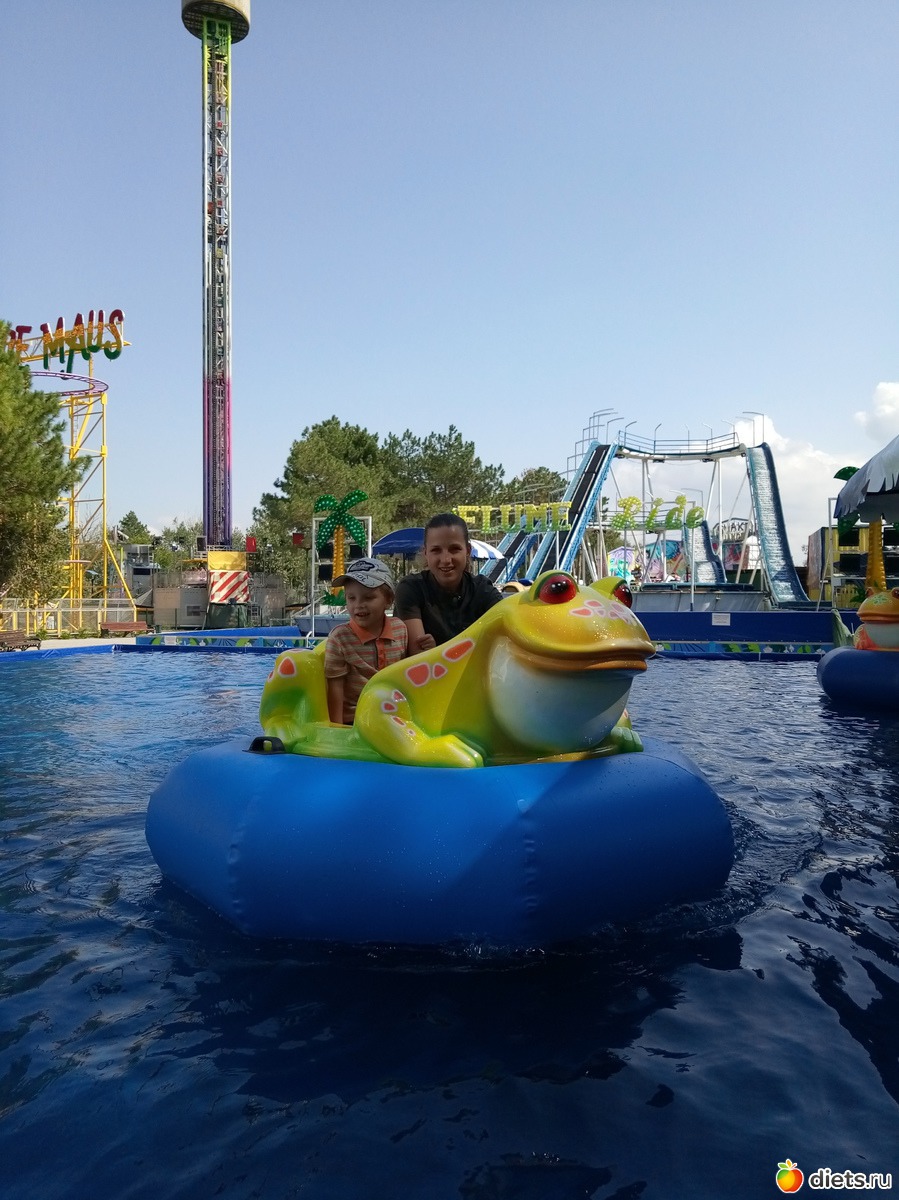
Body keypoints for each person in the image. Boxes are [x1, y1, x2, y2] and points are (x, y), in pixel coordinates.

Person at [393, 513, 502, 653]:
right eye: (436, 550)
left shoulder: (483, 590)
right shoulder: (411, 589)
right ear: (426, 553)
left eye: (454, 549)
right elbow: (419, 656)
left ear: (468, 551)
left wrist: (436, 650)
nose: (445, 559)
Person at [324, 558, 408, 725]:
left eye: (368, 597)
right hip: (355, 722)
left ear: (389, 600)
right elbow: (335, 691)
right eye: (351, 598)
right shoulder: (340, 638)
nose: (358, 605)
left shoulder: (400, 629)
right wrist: (336, 730)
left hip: (393, 717)